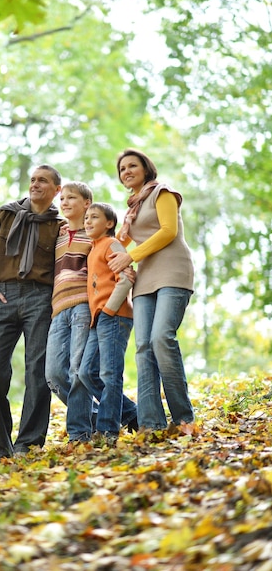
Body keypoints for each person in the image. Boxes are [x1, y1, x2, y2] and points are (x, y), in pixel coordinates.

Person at [0, 164, 63, 459]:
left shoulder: (59, 226)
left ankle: (29, 443)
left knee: (38, 371)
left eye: (43, 181)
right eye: (33, 180)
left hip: (41, 297)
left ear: (56, 190)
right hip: (4, 297)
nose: (35, 185)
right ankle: (1, 446)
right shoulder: (4, 214)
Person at [108, 148, 194, 431]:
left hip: (172, 272)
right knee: (144, 347)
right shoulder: (132, 208)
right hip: (144, 280)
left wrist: (130, 255)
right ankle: (150, 424)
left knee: (161, 338)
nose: (127, 172)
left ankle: (183, 418)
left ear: (146, 168)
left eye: (132, 166)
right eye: (122, 169)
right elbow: (119, 245)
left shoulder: (163, 193)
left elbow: (168, 231)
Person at [45, 183, 138, 443]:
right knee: (53, 374)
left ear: (87, 203)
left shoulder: (96, 236)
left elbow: (119, 256)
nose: (64, 202)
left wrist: (127, 229)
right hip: (58, 308)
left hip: (86, 307)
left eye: (71, 197)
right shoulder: (59, 235)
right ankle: (122, 413)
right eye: (61, 198)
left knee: (80, 370)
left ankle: (80, 432)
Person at [76, 202, 134, 446]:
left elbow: (126, 277)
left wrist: (109, 309)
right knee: (86, 373)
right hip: (97, 319)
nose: (87, 221)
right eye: (86, 218)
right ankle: (133, 414)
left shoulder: (111, 244)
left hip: (114, 315)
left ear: (109, 223)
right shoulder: (93, 248)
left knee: (110, 373)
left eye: (94, 217)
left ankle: (108, 430)